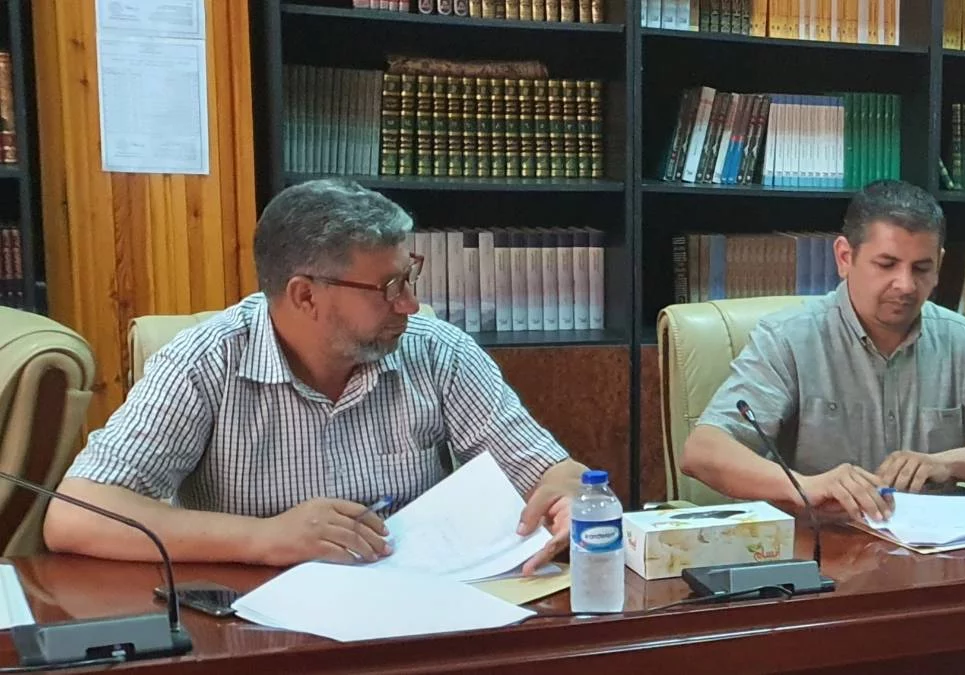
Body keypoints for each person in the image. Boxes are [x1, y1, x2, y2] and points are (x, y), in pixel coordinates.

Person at [43, 178, 586, 574]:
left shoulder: (435, 351)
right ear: (305, 295)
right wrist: (264, 538)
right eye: (389, 288)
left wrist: (566, 495)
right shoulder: (205, 362)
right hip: (254, 621)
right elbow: (75, 516)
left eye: (409, 277)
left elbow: (556, 474)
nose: (409, 305)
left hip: (415, 609)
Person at [679, 179, 965, 522]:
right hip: (827, 544)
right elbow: (703, 451)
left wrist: (945, 464)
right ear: (845, 257)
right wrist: (807, 486)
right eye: (887, 265)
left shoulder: (964, 341)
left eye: (922, 268)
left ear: (939, 265)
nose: (906, 285)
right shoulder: (789, 338)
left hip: (933, 548)